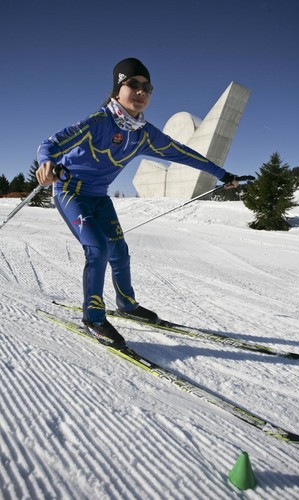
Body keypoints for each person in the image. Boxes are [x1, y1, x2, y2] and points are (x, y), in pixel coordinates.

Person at [36, 57, 238, 348]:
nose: (142, 91)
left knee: (119, 250)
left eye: (148, 87)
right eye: (133, 84)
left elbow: (183, 153)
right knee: (98, 247)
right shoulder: (99, 121)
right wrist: (46, 163)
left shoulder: (145, 133)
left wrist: (223, 174)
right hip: (70, 190)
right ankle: (93, 318)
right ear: (118, 89)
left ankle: (127, 304)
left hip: (99, 195)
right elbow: (50, 144)